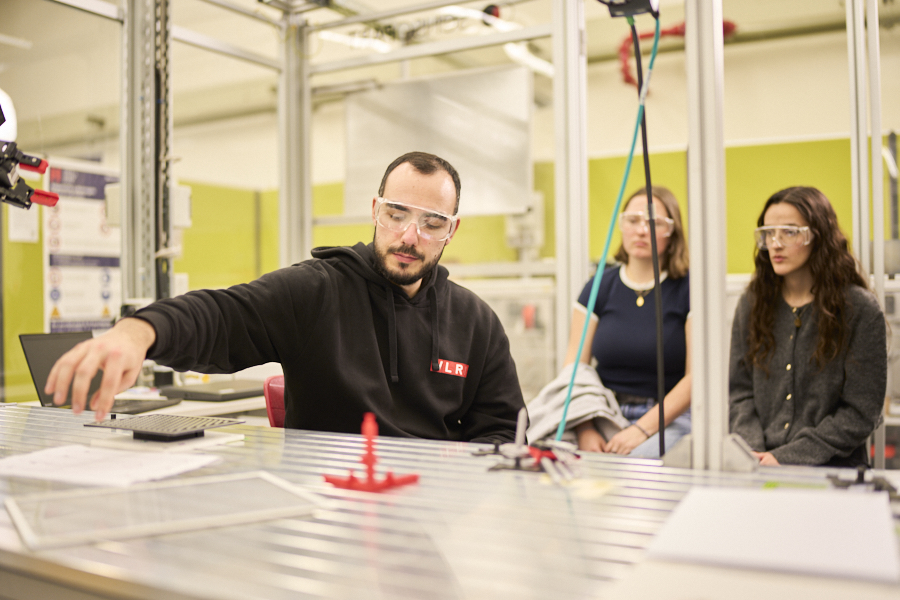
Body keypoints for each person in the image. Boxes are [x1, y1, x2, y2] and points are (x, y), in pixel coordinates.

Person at [45, 151, 525, 443]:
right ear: (375, 209)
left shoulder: (475, 322)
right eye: (397, 214)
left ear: (452, 230)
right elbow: (222, 315)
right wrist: (137, 333)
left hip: (432, 508)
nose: (409, 235)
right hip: (324, 504)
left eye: (432, 223)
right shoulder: (318, 291)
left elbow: (503, 431)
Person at [729, 186, 886, 467]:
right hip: (757, 463)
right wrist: (753, 452)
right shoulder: (752, 303)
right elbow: (739, 393)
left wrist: (786, 458)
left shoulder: (859, 309)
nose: (775, 243)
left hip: (832, 469)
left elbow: (861, 412)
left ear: (818, 236)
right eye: (768, 233)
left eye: (789, 232)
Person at [555, 186, 692, 457]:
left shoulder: (689, 290)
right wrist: (585, 428)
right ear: (622, 226)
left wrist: (641, 430)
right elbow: (574, 368)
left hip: (668, 419)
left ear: (672, 232)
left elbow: (696, 379)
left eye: (653, 223)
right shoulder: (598, 287)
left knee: (633, 466)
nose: (642, 230)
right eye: (632, 220)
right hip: (603, 413)